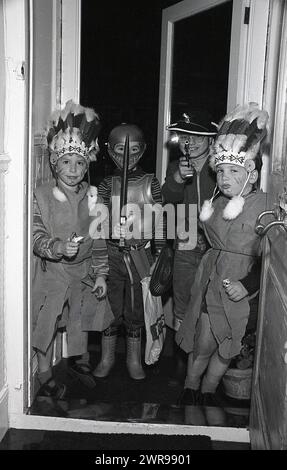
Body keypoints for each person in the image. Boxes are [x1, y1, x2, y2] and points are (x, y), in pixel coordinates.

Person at [175, 102, 269, 405]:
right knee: (203, 343)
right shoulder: (215, 204)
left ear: (251, 174)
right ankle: (191, 386)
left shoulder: (266, 207)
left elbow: (269, 256)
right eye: (221, 171)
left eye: (233, 171)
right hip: (212, 283)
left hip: (243, 290)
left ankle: (208, 391)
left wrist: (249, 285)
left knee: (227, 346)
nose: (224, 177)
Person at [32, 100, 111, 400]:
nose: (73, 169)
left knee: (82, 317)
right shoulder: (42, 196)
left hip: (83, 273)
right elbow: (37, 236)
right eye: (66, 162)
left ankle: (81, 362)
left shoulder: (94, 198)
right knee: (48, 324)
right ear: (54, 163)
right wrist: (56, 247)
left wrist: (101, 275)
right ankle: (44, 374)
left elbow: (100, 240)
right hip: (54, 275)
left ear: (88, 163)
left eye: (79, 163)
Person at [93, 123, 165, 380]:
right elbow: (97, 223)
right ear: (111, 151)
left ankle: (134, 359)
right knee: (110, 308)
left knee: (136, 309)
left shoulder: (150, 182)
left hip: (139, 254)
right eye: (122, 149)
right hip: (113, 254)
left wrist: (158, 255)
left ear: (143, 150)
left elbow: (159, 220)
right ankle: (107, 357)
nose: (128, 156)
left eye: (134, 149)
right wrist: (111, 229)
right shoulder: (106, 184)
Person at [161, 108, 218, 382]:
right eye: (185, 137)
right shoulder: (176, 166)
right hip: (184, 239)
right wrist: (176, 179)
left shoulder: (218, 167)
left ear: (210, 140)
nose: (190, 142)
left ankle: (202, 364)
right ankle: (182, 360)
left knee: (208, 302)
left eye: (197, 137)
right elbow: (166, 200)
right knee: (181, 301)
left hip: (213, 243)